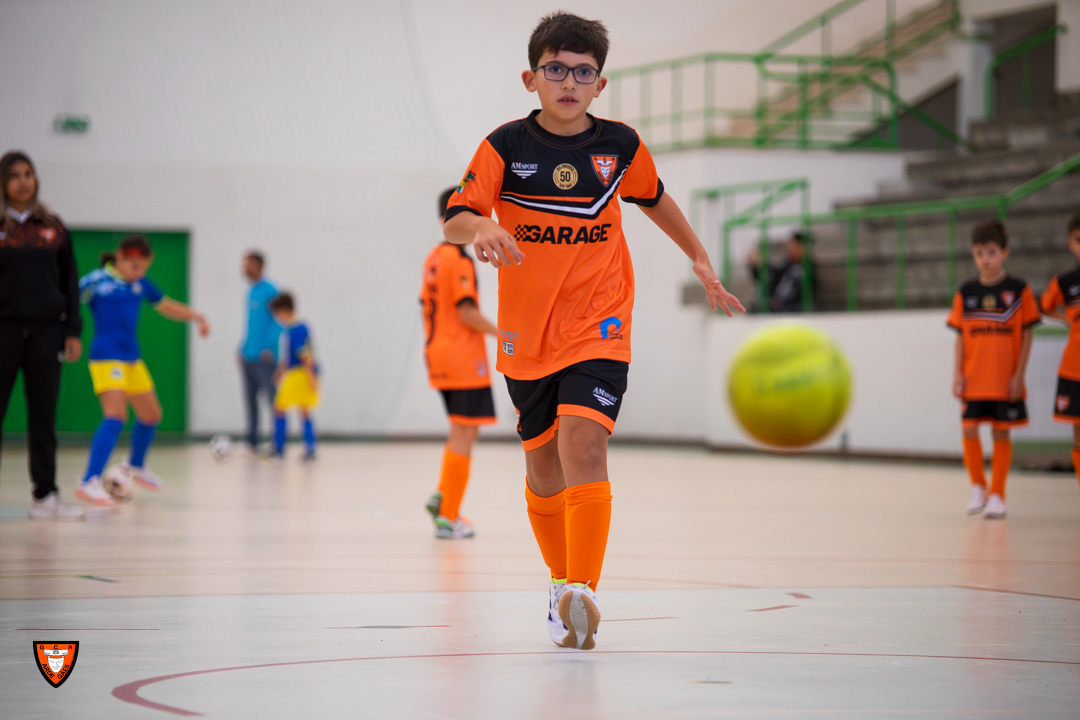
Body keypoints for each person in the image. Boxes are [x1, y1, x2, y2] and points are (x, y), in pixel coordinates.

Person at [443, 12, 744, 650]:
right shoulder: (504, 147)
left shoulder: (621, 146)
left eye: (584, 73)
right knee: (542, 467)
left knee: (584, 447)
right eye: (556, 69)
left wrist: (699, 257)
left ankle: (583, 589)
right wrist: (483, 225)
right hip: (527, 334)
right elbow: (455, 219)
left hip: (599, 323)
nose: (569, 82)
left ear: (600, 85)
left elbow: (655, 198)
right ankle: (561, 586)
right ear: (531, 78)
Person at [75, 236, 210, 506]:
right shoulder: (95, 282)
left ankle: (135, 465)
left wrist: (196, 316)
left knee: (151, 415)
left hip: (132, 359)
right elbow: (65, 304)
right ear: (120, 257)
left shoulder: (140, 284)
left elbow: (166, 305)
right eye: (135, 266)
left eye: (144, 267)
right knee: (115, 416)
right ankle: (89, 480)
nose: (140, 272)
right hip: (106, 357)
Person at [0, 151, 85, 520]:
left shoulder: (53, 227)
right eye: (14, 175)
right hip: (3, 331)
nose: (23, 181)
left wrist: (73, 329)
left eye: (28, 174)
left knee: (43, 418)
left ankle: (46, 496)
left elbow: (70, 281)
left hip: (47, 333)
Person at [421, 187, 499, 540]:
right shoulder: (460, 260)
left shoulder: (433, 258)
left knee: (460, 429)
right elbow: (466, 312)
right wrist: (505, 334)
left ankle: (443, 496)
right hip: (462, 356)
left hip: (438, 353)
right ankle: (449, 517)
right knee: (466, 431)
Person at [947, 220, 1039, 520]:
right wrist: (957, 373)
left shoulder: (1019, 290)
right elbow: (960, 337)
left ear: (1004, 253)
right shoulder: (966, 292)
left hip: (1004, 380)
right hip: (973, 379)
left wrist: (1019, 375)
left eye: (990, 252)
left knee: (1001, 433)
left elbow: (1027, 333)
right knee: (968, 429)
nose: (985, 258)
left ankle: (998, 494)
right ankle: (978, 487)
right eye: (979, 253)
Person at [1039, 211, 1080, 491]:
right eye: (1079, 239)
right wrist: (1065, 318)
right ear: (1070, 243)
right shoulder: (1065, 282)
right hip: (1074, 368)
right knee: (1078, 431)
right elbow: (1045, 305)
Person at [268, 292, 318, 461]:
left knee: (280, 407)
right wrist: (281, 370)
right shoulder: (295, 327)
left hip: (299, 374)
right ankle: (310, 448)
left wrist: (311, 377)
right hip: (299, 373)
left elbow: (305, 355)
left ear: (284, 310)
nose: (277, 318)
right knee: (304, 410)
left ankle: (279, 448)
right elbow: (292, 354)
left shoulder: (296, 328)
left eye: (277, 313)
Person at [240, 251, 281, 454]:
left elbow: (278, 321)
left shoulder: (271, 290)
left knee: (273, 400)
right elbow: (252, 324)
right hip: (248, 356)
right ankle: (252, 440)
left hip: (265, 357)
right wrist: (242, 347)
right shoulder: (251, 291)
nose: (244, 268)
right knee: (250, 400)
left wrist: (268, 346)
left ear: (259, 266)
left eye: (248, 264)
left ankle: (278, 441)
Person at [746, 230, 815, 312]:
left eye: (792, 244)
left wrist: (777, 301)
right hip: (780, 306)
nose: (788, 248)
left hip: (792, 308)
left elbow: (792, 293)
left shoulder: (804, 269)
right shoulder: (787, 265)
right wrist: (757, 266)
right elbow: (772, 276)